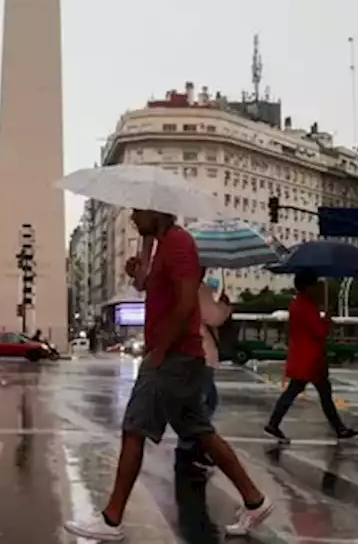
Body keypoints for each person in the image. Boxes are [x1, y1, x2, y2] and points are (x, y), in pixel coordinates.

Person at [64, 210, 272, 540]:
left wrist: (160, 349)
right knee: (201, 432)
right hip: (177, 355)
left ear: (156, 211)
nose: (132, 217)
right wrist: (140, 267)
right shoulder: (163, 244)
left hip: (173, 356)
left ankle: (112, 519)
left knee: (134, 428)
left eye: (138, 212)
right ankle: (254, 499)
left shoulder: (178, 243)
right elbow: (150, 287)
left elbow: (187, 301)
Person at [264, 271, 358, 443]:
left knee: (305, 392)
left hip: (302, 356)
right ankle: (339, 429)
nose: (318, 288)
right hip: (311, 359)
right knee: (319, 394)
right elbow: (319, 332)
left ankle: (339, 428)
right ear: (308, 286)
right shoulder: (308, 306)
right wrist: (327, 320)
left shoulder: (296, 303)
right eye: (315, 285)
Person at [175, 274, 232, 475]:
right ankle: (189, 448)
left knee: (205, 402)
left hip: (190, 353)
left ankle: (192, 448)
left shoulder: (181, 285)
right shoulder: (199, 288)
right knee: (202, 406)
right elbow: (213, 317)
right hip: (202, 353)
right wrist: (225, 306)